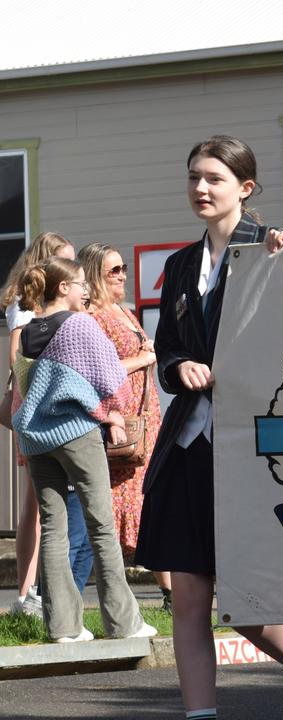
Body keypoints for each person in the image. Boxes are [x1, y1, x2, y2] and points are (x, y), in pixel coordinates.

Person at [132, 135, 283, 720]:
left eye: (213, 178)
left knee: (248, 606)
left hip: (253, 452)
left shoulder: (273, 248)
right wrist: (177, 365)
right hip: (189, 446)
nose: (201, 189)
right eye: (193, 178)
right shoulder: (182, 265)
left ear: (246, 188)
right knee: (187, 595)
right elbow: (166, 350)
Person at [10, 256, 155, 643]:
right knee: (101, 526)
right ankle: (124, 624)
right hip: (76, 432)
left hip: (38, 439)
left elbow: (26, 387)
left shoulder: (28, 332)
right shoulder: (78, 326)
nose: (85, 291)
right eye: (79, 284)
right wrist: (114, 413)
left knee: (54, 530)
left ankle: (62, 627)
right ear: (63, 288)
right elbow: (111, 378)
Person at [1, 231, 94, 617]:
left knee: (39, 504)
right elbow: (16, 361)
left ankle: (32, 592)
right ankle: (27, 592)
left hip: (40, 405)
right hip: (37, 406)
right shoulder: (25, 305)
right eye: (64, 261)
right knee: (36, 505)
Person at [78, 242, 172, 610]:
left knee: (152, 502)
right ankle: (120, 597)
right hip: (122, 421)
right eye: (112, 271)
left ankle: (169, 593)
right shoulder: (92, 317)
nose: (121, 276)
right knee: (116, 510)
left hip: (146, 416)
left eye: (123, 269)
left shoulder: (122, 310)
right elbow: (98, 371)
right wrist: (144, 356)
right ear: (95, 276)